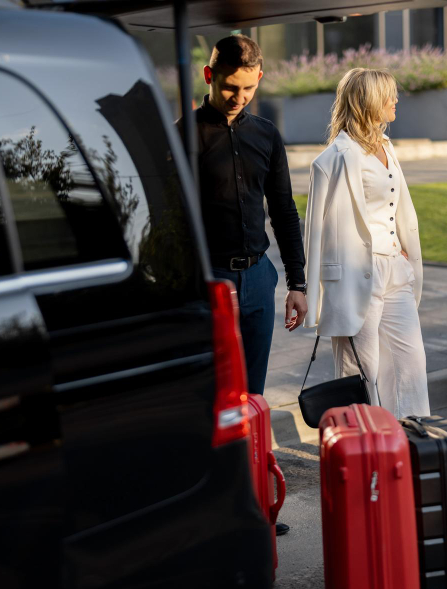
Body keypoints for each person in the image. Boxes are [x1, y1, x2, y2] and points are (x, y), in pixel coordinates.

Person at [179, 34, 306, 536]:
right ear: (209, 76)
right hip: (208, 284)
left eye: (249, 89)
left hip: (257, 279)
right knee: (212, 398)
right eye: (231, 87)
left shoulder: (267, 135)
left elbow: (284, 211)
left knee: (253, 398)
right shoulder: (182, 137)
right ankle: (210, 506)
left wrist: (297, 281)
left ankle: (252, 502)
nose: (239, 97)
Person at [303, 68, 430, 421]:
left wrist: (400, 248)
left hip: (395, 270)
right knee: (361, 371)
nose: (396, 100)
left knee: (411, 364)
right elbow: (314, 233)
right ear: (369, 101)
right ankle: (364, 444)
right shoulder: (332, 160)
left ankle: (414, 441)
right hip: (355, 276)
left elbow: (396, 207)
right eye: (389, 94)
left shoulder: (387, 146)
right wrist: (310, 298)